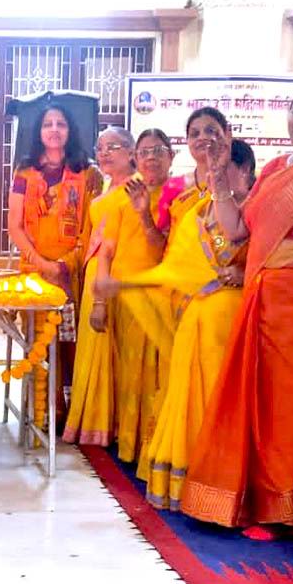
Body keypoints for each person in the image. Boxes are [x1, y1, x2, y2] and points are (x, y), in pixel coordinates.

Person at [181, 83, 293, 538]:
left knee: (289, 403)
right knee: (253, 396)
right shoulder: (275, 168)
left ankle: (285, 510)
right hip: (260, 293)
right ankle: (245, 497)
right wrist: (219, 180)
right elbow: (237, 231)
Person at [108, 110, 256, 508]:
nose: (203, 139)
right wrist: (143, 214)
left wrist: (244, 275)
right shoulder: (186, 199)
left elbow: (263, 251)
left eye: (212, 131)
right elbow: (168, 254)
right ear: (187, 142)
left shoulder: (253, 200)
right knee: (185, 393)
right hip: (190, 307)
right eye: (195, 133)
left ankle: (219, 483)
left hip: (230, 312)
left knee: (219, 398)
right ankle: (190, 482)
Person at [7, 102, 102, 429]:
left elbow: (92, 227)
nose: (54, 130)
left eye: (61, 124)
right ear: (39, 132)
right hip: (34, 272)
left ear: (70, 131)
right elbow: (15, 225)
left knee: (69, 341)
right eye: (48, 124)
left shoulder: (88, 173)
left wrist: (64, 265)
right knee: (38, 341)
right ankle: (39, 413)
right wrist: (41, 264)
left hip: (71, 272)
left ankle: (69, 414)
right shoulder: (24, 172)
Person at [103, 129, 180, 463]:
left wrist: (145, 213)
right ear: (136, 157)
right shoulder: (123, 195)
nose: (151, 158)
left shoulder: (179, 195)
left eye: (159, 151)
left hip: (159, 294)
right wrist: (100, 298)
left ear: (171, 156)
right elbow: (107, 249)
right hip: (124, 293)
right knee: (130, 372)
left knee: (157, 376)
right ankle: (129, 443)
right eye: (145, 152)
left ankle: (152, 447)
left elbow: (163, 248)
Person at [63, 127, 137, 446]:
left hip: (116, 274)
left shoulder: (136, 189)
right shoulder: (107, 186)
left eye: (113, 147)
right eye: (101, 147)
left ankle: (112, 424)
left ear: (132, 152)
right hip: (95, 269)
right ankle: (93, 421)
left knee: (113, 348)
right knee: (93, 348)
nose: (105, 153)